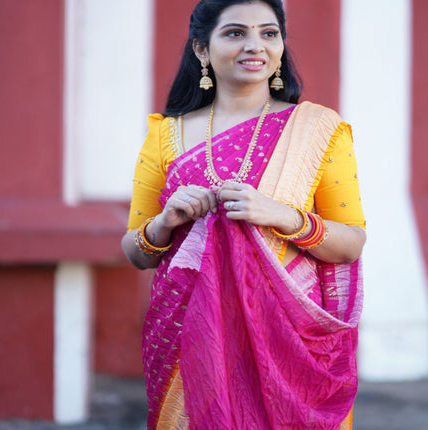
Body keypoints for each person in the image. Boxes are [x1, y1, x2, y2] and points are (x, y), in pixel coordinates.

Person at [122, 0, 366, 428]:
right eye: (235, 33)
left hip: (288, 342)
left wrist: (284, 217)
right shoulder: (165, 133)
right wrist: (165, 222)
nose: (255, 45)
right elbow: (136, 252)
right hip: (191, 340)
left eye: (269, 33)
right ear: (201, 49)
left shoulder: (317, 130)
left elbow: (351, 244)